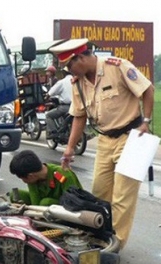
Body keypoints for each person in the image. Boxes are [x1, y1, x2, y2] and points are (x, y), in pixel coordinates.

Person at [49, 38, 154, 249]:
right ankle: (101, 236)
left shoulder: (117, 67)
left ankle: (115, 246)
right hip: (105, 141)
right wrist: (69, 150)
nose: (69, 71)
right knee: (99, 193)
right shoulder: (77, 83)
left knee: (122, 197)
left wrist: (146, 121)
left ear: (81, 58)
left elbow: (147, 90)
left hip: (132, 138)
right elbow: (79, 116)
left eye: (70, 65)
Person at [8, 150, 82, 206]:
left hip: (67, 206)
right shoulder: (33, 178)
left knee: (46, 202)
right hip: (43, 204)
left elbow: (73, 200)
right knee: (15, 195)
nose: (24, 181)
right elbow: (35, 202)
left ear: (30, 176)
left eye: (23, 179)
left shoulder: (62, 174)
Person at [45, 68, 73, 139]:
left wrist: (47, 97)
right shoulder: (76, 80)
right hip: (76, 106)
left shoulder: (61, 82)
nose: (47, 73)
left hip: (65, 106)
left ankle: (54, 132)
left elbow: (51, 92)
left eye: (48, 72)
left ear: (63, 73)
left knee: (48, 115)